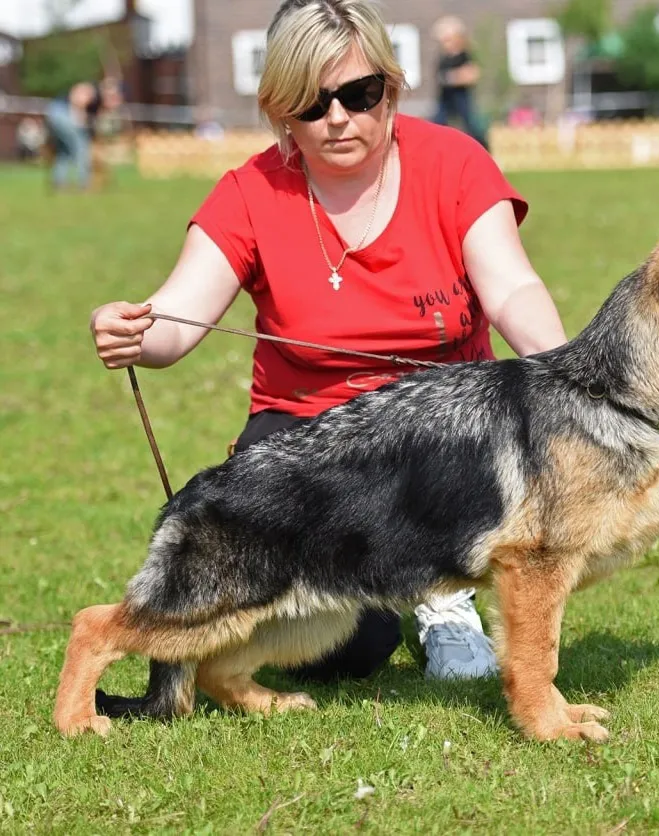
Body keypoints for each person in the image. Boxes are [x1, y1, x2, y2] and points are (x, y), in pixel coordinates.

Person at [90, 0, 568, 685]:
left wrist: (560, 372)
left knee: (443, 470)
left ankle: (446, 597)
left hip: (443, 438)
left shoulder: (456, 163)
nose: (339, 117)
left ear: (391, 89)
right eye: (313, 105)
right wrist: (134, 332)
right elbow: (176, 318)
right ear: (282, 111)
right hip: (307, 444)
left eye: (358, 94)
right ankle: (386, 595)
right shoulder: (250, 192)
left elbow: (512, 288)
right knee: (343, 651)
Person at [43, 77, 123, 190]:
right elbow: (77, 96)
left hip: (54, 112)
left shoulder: (99, 104)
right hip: (62, 113)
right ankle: (84, 182)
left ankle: (59, 182)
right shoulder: (94, 92)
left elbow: (94, 120)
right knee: (82, 147)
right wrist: (78, 117)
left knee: (64, 150)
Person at [431, 15, 489, 149]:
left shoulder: (464, 56)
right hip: (445, 98)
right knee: (438, 124)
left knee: (472, 126)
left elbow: (472, 74)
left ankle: (485, 151)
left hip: (461, 98)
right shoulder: (443, 59)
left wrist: (453, 77)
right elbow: (439, 77)